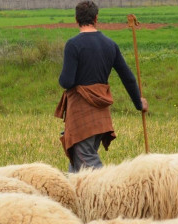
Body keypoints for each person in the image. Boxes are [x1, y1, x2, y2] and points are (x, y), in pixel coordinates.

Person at [55, 0, 149, 173]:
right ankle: (72, 198)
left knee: (88, 162)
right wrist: (138, 102)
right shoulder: (110, 45)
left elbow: (67, 81)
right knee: (78, 162)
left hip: (81, 115)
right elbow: (128, 77)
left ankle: (113, 195)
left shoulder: (73, 45)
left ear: (76, 19)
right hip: (101, 116)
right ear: (96, 18)